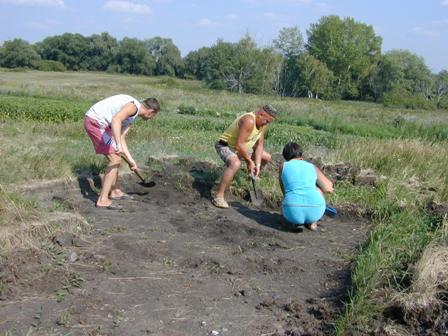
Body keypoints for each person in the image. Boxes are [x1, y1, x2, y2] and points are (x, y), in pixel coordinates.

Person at [84, 94, 160, 209]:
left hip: (103, 125)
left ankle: (114, 191)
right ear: (150, 111)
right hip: (96, 122)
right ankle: (102, 200)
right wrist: (117, 144)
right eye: (153, 115)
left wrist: (131, 160)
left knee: (117, 158)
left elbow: (121, 136)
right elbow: (116, 120)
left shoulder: (132, 116)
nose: (151, 119)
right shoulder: (133, 107)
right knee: (115, 159)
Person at [212, 104, 279, 208]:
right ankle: (219, 197)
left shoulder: (263, 125)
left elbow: (259, 146)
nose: (267, 123)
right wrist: (249, 161)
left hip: (243, 148)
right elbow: (239, 145)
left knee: (266, 157)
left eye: (269, 122)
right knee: (235, 163)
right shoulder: (249, 120)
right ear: (261, 114)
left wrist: (257, 164)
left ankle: (253, 175)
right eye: (267, 121)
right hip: (226, 146)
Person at [279, 142, 334, 231]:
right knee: (318, 189)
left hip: (292, 211)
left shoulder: (283, 166)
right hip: (316, 210)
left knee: (289, 193)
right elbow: (328, 188)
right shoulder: (311, 166)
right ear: (301, 154)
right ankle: (313, 222)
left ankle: (297, 221)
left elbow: (284, 191)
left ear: (285, 156)